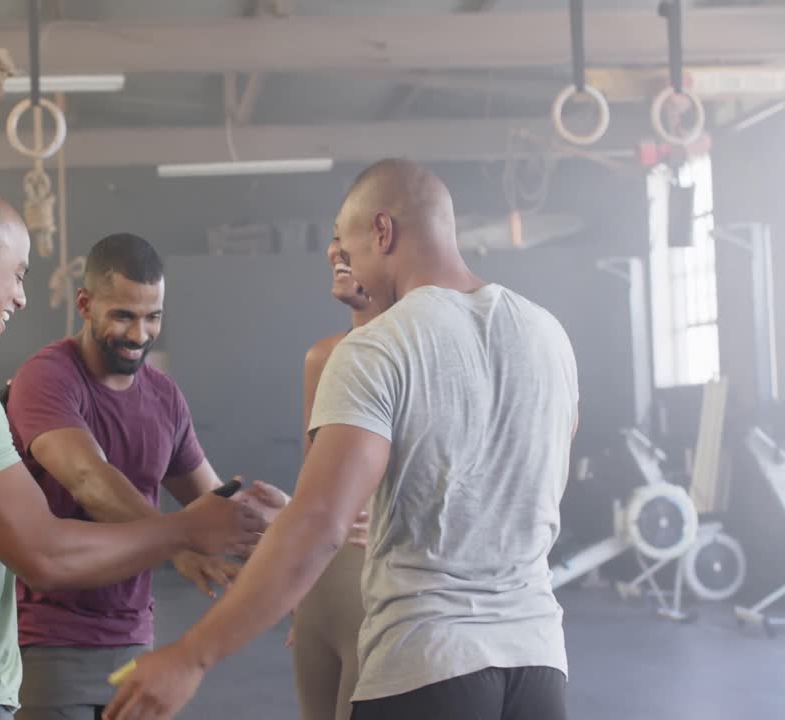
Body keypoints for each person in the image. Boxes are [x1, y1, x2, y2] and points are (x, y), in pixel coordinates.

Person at [105, 158, 580, 720]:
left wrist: (192, 655)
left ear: (383, 231)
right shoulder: (548, 334)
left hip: (427, 664)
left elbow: (320, 525)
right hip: (539, 664)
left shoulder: (381, 345)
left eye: (347, 244)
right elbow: (503, 493)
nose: (342, 259)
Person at [0, 187, 266, 720]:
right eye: (16, 275)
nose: (20, 297)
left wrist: (302, 525)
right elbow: (46, 555)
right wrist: (182, 534)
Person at [4, 232, 284, 720]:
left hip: (135, 641)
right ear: (85, 304)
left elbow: (213, 501)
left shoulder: (164, 397)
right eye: (124, 316)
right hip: (48, 642)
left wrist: (287, 530)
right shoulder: (45, 379)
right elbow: (91, 481)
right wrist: (181, 542)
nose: (139, 334)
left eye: (153, 317)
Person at [290, 238, 378, 720]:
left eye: (351, 237)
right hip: (322, 591)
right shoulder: (323, 358)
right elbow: (312, 488)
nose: (334, 251)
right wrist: (294, 586)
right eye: (334, 236)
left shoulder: (424, 355)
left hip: (385, 590)